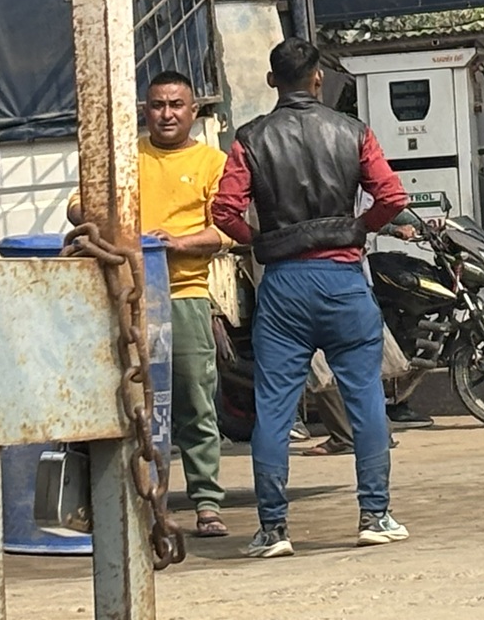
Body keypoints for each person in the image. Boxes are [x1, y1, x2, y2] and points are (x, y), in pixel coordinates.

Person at [211, 38, 411, 557]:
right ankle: (376, 514)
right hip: (344, 282)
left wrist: (260, 239)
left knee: (274, 408)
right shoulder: (353, 133)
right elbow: (391, 197)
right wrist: (357, 228)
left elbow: (224, 211)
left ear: (274, 81)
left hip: (283, 286)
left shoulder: (250, 139)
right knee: (364, 395)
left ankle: (273, 530)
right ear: (318, 77)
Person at [69, 70, 232, 538]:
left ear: (193, 112)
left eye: (176, 105)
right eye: (158, 105)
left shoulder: (211, 162)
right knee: (117, 398)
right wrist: (115, 228)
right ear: (145, 110)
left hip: (183, 295)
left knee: (194, 401)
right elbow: (77, 206)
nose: (166, 114)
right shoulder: (124, 158)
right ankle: (114, 500)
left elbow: (224, 230)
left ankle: (206, 501)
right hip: (122, 299)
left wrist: (176, 243)